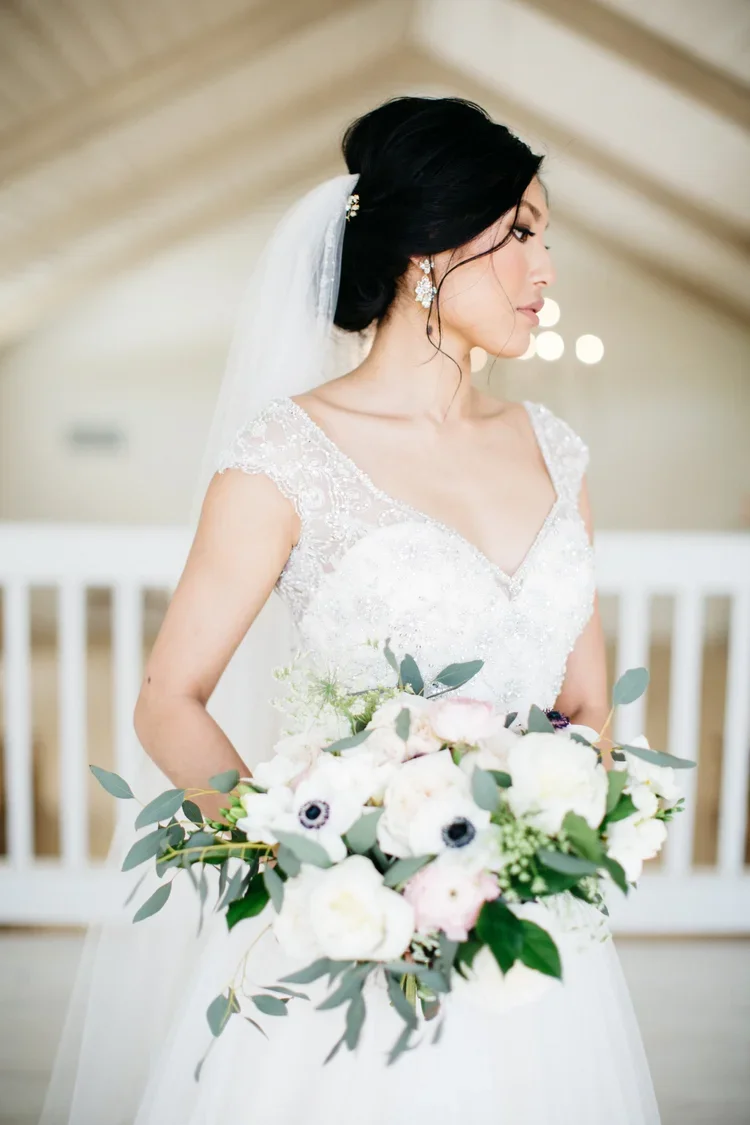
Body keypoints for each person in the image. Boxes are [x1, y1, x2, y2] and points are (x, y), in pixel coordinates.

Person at [41, 96, 661, 1124]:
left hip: (532, 942)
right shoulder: (285, 459)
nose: (545, 269)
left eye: (544, 236)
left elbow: (587, 703)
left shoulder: (558, 452)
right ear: (427, 251)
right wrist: (313, 860)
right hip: (350, 947)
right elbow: (170, 699)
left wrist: (545, 841)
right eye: (519, 233)